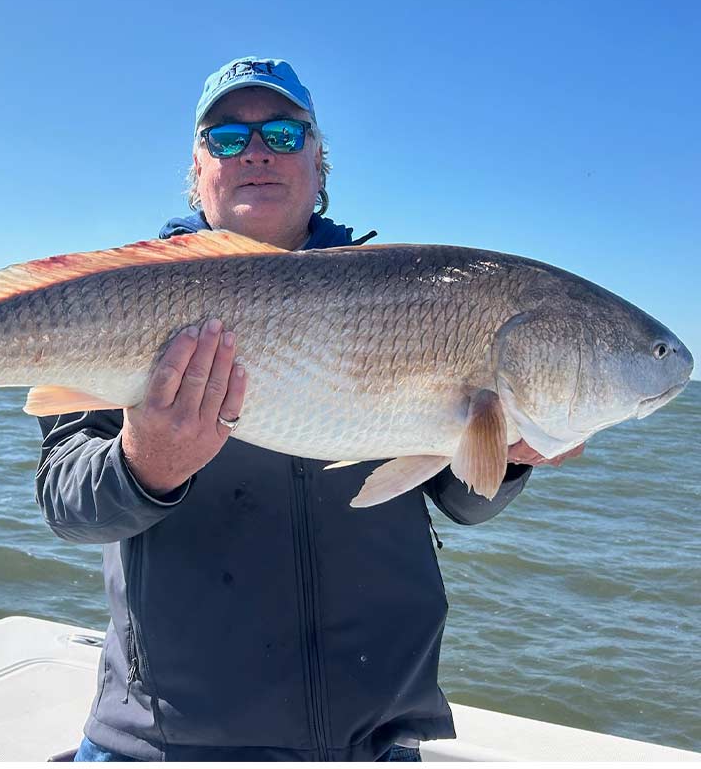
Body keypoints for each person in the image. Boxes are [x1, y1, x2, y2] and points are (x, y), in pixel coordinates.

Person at [36, 56, 583, 762]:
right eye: (226, 137)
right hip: (165, 743)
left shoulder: (412, 293)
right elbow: (70, 507)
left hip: (375, 739)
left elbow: (464, 503)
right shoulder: (121, 297)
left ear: (318, 157)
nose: (256, 152)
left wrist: (508, 456)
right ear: (198, 166)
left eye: (283, 133)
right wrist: (146, 465)